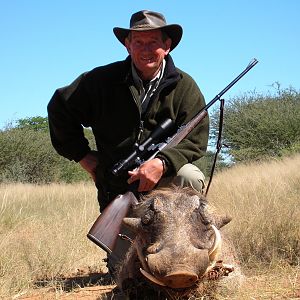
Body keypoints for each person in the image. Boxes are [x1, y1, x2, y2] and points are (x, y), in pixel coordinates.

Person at [47, 9, 209, 282]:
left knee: (189, 176)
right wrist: (83, 156)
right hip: (120, 187)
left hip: (166, 181)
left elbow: (197, 136)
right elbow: (59, 109)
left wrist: (162, 162)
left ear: (167, 46)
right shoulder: (99, 81)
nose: (146, 49)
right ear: (127, 44)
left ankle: (189, 248)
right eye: (139, 42)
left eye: (154, 42)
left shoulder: (185, 86)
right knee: (127, 275)